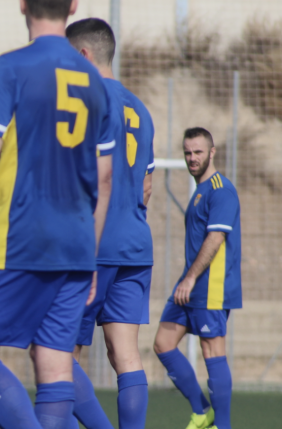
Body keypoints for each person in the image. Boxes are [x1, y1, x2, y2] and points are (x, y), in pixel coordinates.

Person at [0, 0, 116, 427]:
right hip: (76, 244)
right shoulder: (96, 80)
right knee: (56, 365)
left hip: (17, 238)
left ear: (22, 4)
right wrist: (91, 254)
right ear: (73, 5)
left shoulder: (9, 67)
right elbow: (105, 177)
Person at [64, 18, 156, 429]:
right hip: (136, 243)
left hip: (92, 244)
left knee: (59, 354)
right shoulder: (140, 108)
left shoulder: (81, 104)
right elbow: (147, 186)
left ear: (83, 55)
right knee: (126, 355)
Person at [153, 127, 241, 429]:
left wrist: (189, 279)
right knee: (163, 343)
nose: (192, 158)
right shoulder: (199, 191)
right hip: (190, 283)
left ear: (212, 152)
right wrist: (187, 279)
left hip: (210, 285)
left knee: (211, 351)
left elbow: (215, 238)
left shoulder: (221, 190)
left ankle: (223, 425)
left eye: (198, 152)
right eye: (188, 152)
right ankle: (202, 411)